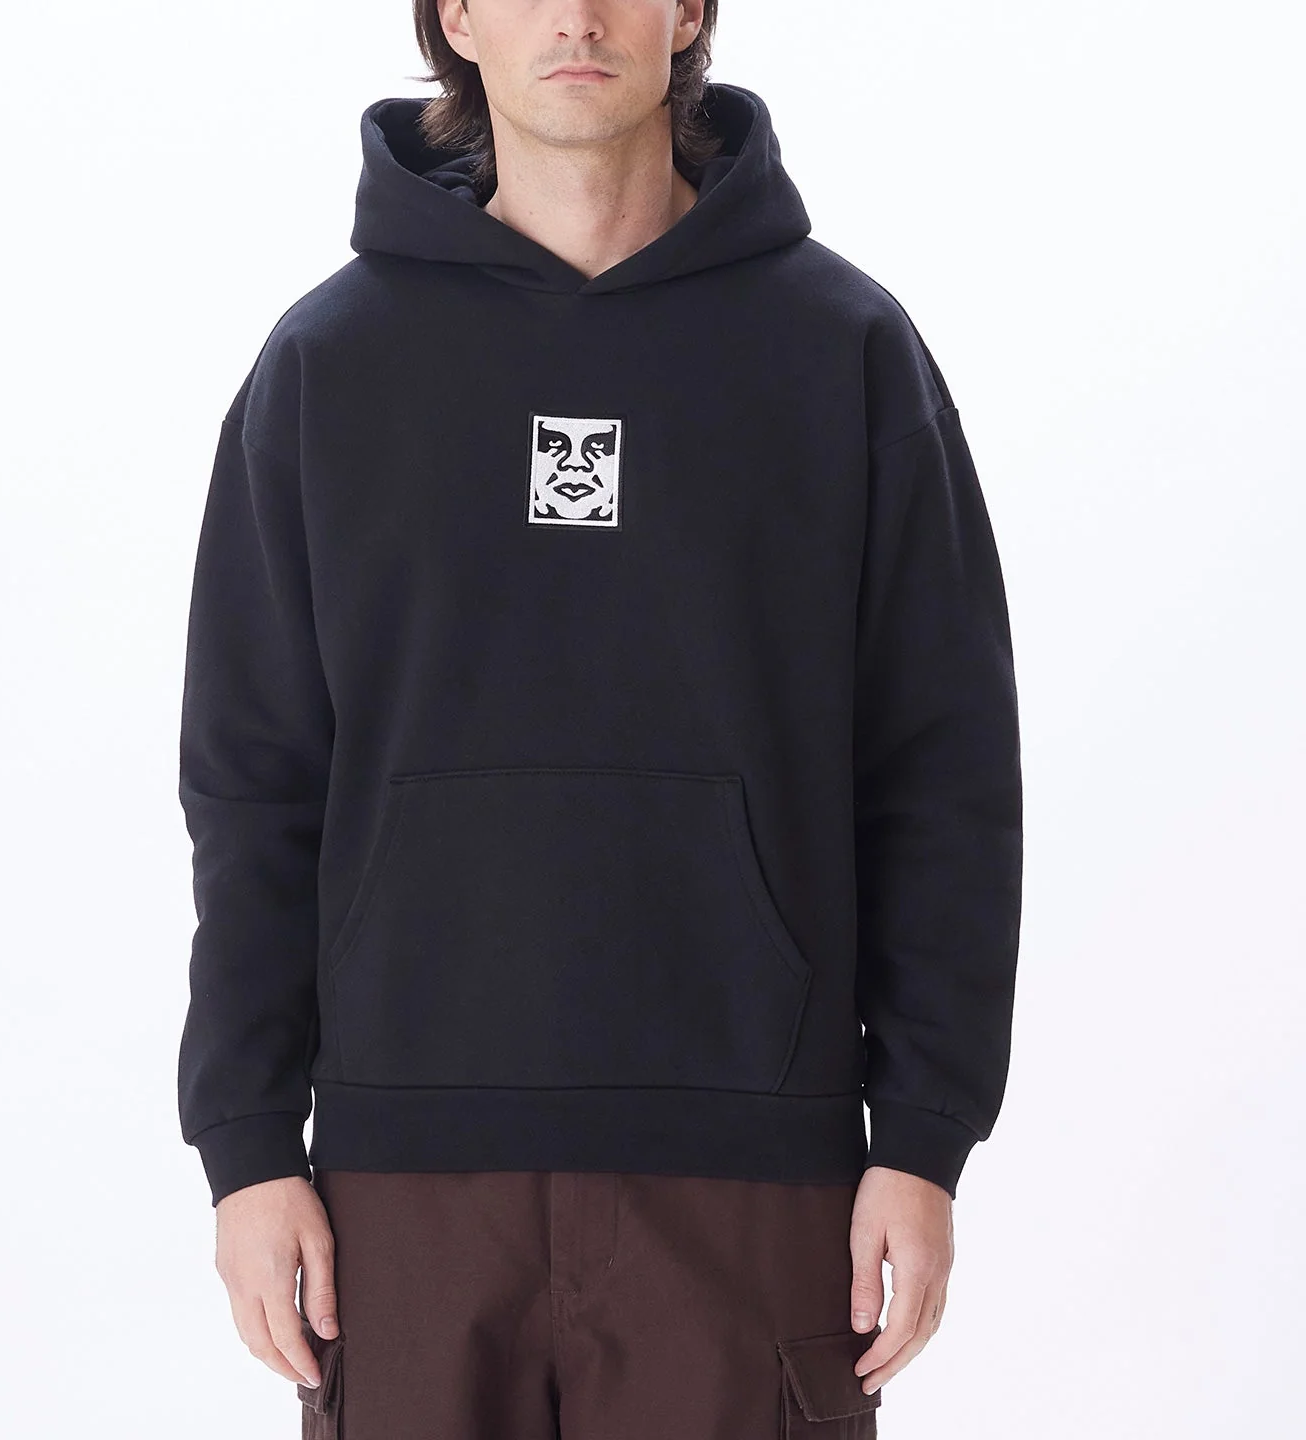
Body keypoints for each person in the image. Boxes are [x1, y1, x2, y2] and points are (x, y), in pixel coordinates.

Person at [175, 3, 1024, 1435]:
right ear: (455, 16)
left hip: (757, 1166)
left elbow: (942, 771)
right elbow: (254, 785)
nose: (574, 14)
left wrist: (925, 1135)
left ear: (690, 11)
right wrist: (248, 1144)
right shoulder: (329, 363)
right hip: (406, 1179)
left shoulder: (843, 350)